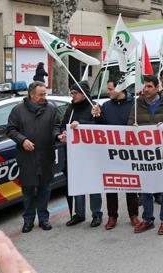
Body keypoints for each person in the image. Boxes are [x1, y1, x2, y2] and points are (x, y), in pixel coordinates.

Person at [6, 81, 61, 233]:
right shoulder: (18, 110)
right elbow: (10, 129)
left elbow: (56, 126)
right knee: (28, 191)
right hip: (27, 157)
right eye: (41, 95)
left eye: (45, 94)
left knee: (45, 189)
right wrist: (22, 140)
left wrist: (58, 135)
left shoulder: (51, 108)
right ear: (32, 95)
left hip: (45, 156)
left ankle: (44, 219)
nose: (44, 97)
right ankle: (28, 220)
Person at [128, 75, 163, 235]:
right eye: (145, 86)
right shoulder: (137, 104)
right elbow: (129, 124)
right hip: (144, 154)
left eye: (149, 86)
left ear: (157, 88)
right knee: (146, 187)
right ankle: (148, 219)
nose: (146, 89)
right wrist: (133, 127)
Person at [91, 79, 141, 230]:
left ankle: (133, 215)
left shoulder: (134, 104)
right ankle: (112, 216)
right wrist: (98, 116)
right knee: (111, 184)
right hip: (110, 152)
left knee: (131, 184)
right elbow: (102, 127)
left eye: (110, 88)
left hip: (129, 152)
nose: (108, 91)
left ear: (120, 89)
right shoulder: (106, 105)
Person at [59, 81, 103, 228]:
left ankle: (96, 213)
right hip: (73, 154)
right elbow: (63, 125)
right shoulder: (70, 108)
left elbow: (99, 126)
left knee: (92, 184)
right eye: (71, 93)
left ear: (84, 93)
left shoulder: (94, 107)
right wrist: (63, 134)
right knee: (77, 183)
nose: (72, 96)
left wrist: (81, 123)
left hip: (90, 154)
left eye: (75, 93)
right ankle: (79, 213)